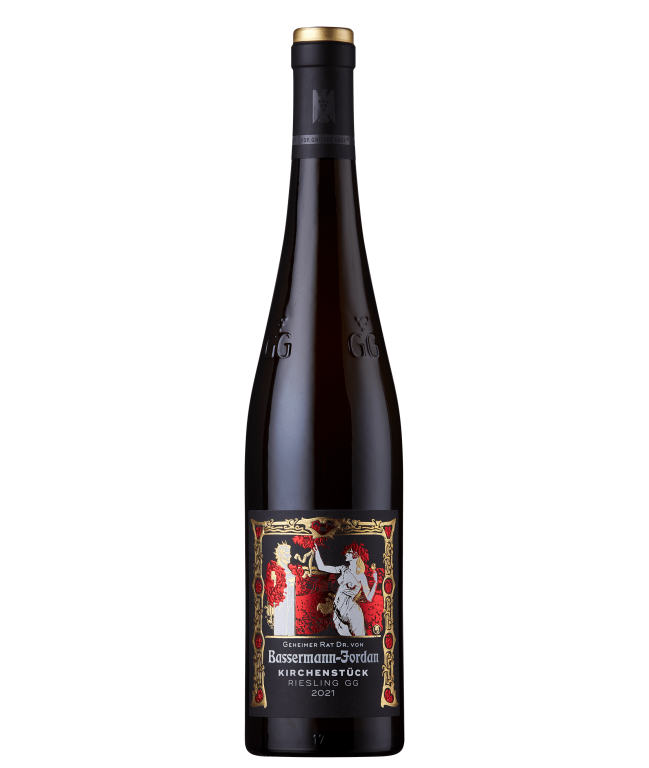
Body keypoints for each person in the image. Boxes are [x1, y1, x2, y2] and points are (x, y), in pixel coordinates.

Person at [313, 540, 377, 637]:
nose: (346, 554)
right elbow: (322, 567)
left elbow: (369, 598)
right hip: (337, 611)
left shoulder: (361, 576)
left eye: (349, 553)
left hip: (352, 611)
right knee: (345, 640)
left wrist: (375, 582)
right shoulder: (343, 569)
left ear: (356, 555)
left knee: (359, 639)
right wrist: (316, 552)